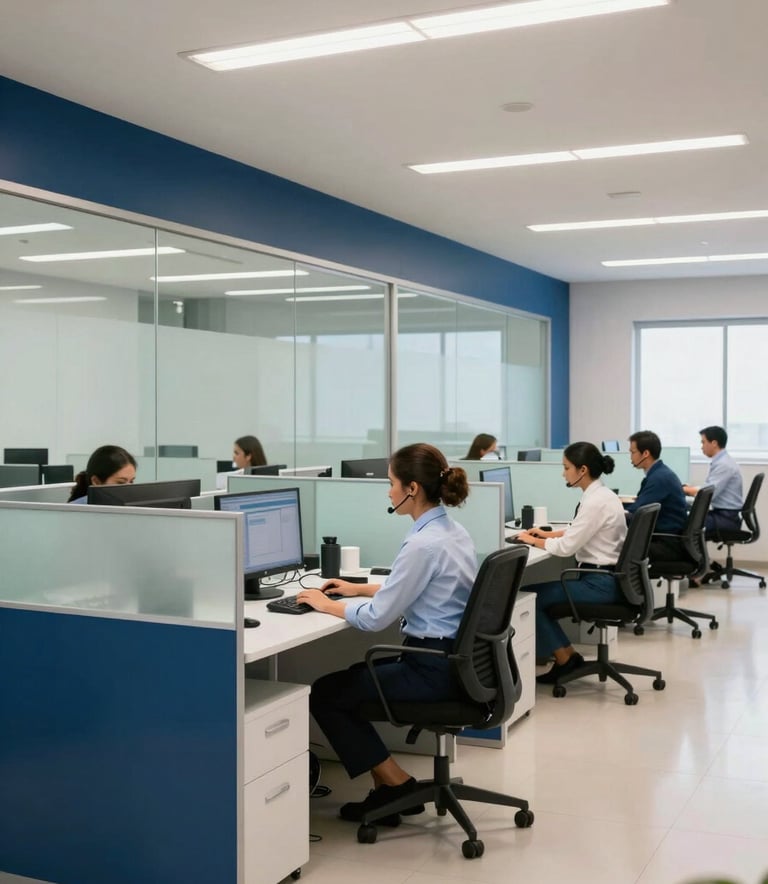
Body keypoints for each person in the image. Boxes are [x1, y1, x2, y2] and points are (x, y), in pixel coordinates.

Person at [295, 443, 476, 826]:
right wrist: (355, 588)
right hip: (455, 662)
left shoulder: (422, 544)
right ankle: (389, 788)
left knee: (327, 694)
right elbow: (418, 588)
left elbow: (377, 619)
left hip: (431, 668)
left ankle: (396, 785)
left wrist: (325, 604)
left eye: (391, 482)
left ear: (411, 488)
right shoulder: (451, 532)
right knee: (346, 683)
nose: (387, 490)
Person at [514, 441, 627, 684]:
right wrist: (547, 534)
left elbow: (566, 548)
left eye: (566, 468)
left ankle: (565, 659)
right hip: (607, 578)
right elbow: (581, 530)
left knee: (529, 599)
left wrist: (530, 541)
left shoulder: (594, 501)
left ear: (582, 470)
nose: (563, 473)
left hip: (599, 584)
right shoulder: (603, 495)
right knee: (535, 596)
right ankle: (566, 655)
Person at [625, 430, 687, 560]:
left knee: (617, 548)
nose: (630, 456)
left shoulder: (659, 479)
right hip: (668, 538)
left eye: (633, 452)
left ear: (645, 453)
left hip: (666, 543)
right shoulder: (661, 473)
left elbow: (637, 513)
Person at [682, 426, 743, 533]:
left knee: (682, 524)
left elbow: (707, 494)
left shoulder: (724, 465)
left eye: (703, 442)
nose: (702, 447)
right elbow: (708, 489)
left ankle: (693, 550)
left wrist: (685, 490)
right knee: (686, 517)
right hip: (724, 515)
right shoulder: (722, 462)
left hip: (726, 518)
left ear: (714, 443)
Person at [68, 445, 137, 503]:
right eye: (120, 482)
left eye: (131, 481)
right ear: (96, 482)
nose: (129, 489)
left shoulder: (133, 509)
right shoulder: (74, 512)